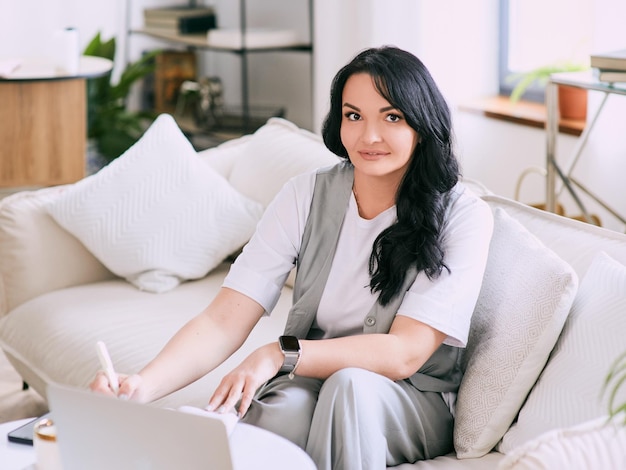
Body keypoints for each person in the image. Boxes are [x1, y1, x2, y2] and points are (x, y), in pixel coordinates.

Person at [90, 46, 494, 469]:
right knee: (275, 416)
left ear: (422, 123)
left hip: (410, 397)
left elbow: (404, 353)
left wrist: (278, 354)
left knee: (350, 389)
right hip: (310, 378)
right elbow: (223, 319)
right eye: (353, 116)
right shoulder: (305, 196)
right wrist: (139, 386)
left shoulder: (463, 216)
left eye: (391, 117)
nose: (368, 136)